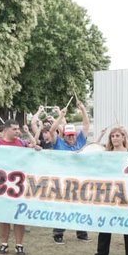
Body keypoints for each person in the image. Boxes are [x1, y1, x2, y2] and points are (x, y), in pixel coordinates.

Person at [90, 126, 128, 255]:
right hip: (109, 194)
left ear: (123, 137)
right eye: (113, 136)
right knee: (105, 225)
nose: (115, 138)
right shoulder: (106, 154)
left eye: (118, 135)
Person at [49, 101, 92, 243]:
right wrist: (60, 117)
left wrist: (83, 109)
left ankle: (82, 232)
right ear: (64, 135)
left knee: (80, 205)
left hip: (79, 180)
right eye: (68, 135)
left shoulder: (80, 141)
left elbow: (86, 125)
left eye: (73, 135)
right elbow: (51, 131)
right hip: (62, 180)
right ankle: (58, 233)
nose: (71, 137)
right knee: (63, 206)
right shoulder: (58, 143)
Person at [0, 119, 28, 255]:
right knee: (4, 216)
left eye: (18, 129)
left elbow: (30, 156)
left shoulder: (21, 143)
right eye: (14, 129)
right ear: (6, 129)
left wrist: (35, 149)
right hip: (3, 185)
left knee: (19, 217)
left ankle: (19, 245)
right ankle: (4, 243)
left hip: (19, 185)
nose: (17, 131)